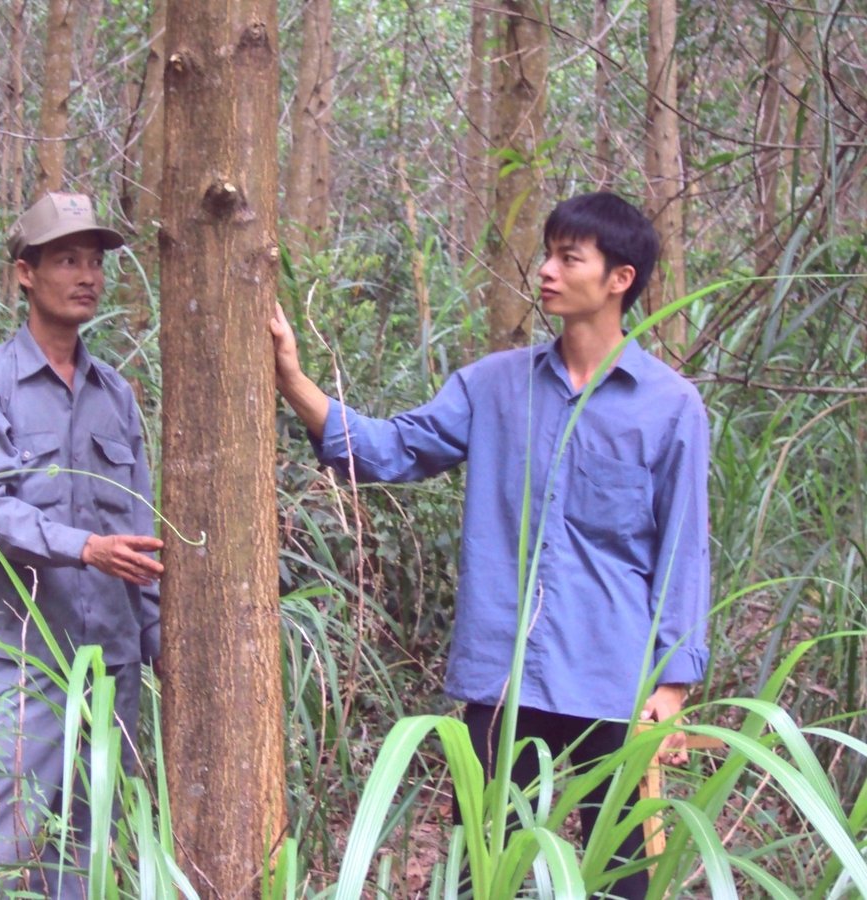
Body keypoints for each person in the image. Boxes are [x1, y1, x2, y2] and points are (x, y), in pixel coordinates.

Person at [271, 191, 710, 897]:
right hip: (504, 678)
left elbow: (683, 550)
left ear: (619, 279)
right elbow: (390, 450)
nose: (546, 271)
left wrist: (674, 683)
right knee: (484, 874)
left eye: (570, 258)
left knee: (622, 876)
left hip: (614, 680)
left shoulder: (671, 406)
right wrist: (293, 380)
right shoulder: (493, 386)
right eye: (548, 254)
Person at [0, 192, 164, 898]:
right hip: (21, 659)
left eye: (95, 261)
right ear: (25, 274)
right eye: (67, 259)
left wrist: (156, 642)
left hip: (110, 666)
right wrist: (84, 547)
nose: (87, 275)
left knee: (86, 853)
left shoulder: (115, 397)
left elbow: (141, 527)